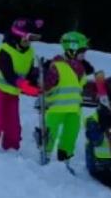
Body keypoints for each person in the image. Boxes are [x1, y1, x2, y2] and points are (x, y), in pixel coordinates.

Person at [0, 19, 42, 153]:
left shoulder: (29, 52)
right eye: (28, 38)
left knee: (13, 125)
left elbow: (27, 73)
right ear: (18, 35)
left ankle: (11, 150)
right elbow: (8, 74)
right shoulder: (4, 50)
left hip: (13, 91)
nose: (29, 42)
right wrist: (25, 86)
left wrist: (36, 81)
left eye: (32, 39)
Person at [41, 31, 95, 164]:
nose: (84, 55)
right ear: (72, 49)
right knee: (51, 134)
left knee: (70, 136)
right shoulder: (57, 66)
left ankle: (65, 160)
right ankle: (46, 156)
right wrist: (43, 77)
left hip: (74, 110)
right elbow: (45, 86)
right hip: (56, 109)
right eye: (82, 52)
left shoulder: (81, 68)